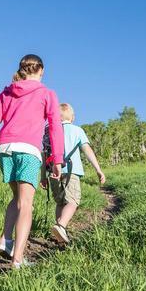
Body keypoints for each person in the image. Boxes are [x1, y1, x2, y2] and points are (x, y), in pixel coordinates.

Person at [0, 54, 64, 268]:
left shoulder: (7, 92)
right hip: (27, 149)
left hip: (5, 149)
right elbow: (55, 126)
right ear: (41, 71)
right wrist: (57, 159)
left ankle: (5, 239)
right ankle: (17, 259)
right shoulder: (47, 94)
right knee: (26, 204)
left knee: (17, 197)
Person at [43, 103, 105, 244]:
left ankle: (59, 235)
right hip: (71, 171)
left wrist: (42, 176)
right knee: (73, 201)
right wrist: (98, 169)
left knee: (60, 202)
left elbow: (44, 154)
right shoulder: (77, 130)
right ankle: (61, 226)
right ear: (72, 117)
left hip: (53, 171)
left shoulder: (49, 131)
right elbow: (87, 150)